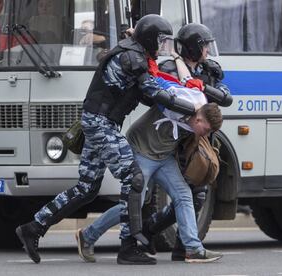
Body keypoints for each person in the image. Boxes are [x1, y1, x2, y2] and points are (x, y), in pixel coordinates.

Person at [15, 14, 196, 265]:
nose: (163, 47)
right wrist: (191, 106)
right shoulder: (132, 57)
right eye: (161, 41)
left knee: (87, 188)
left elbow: (141, 95)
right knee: (133, 179)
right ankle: (129, 247)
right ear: (149, 39)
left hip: (96, 121)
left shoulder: (133, 53)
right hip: (101, 124)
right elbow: (153, 93)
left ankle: (33, 228)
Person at [75, 51, 224, 263]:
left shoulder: (199, 98)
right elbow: (158, 84)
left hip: (164, 156)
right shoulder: (180, 100)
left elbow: (187, 79)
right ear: (198, 116)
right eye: (204, 129)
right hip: (141, 149)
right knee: (135, 200)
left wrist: (178, 59)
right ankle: (87, 236)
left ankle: (193, 248)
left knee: (183, 196)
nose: (204, 135)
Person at [144, 23, 233, 261]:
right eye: (204, 46)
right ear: (194, 47)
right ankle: (165, 237)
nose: (207, 51)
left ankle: (174, 241)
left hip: (200, 141)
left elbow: (226, 98)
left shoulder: (210, 70)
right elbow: (160, 97)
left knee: (196, 195)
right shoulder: (169, 69)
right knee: (187, 195)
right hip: (175, 140)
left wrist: (201, 87)